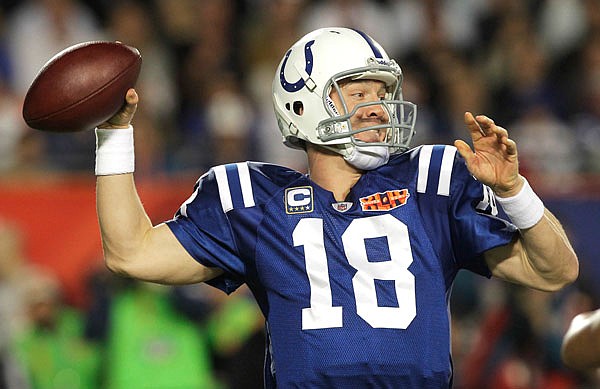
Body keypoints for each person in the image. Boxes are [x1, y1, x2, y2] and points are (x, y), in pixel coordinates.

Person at [94, 28, 578, 387]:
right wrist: (114, 134)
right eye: (357, 92)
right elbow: (130, 253)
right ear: (303, 105)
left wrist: (515, 191)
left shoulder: (433, 181)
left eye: (382, 94)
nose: (376, 107)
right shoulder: (253, 199)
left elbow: (554, 272)